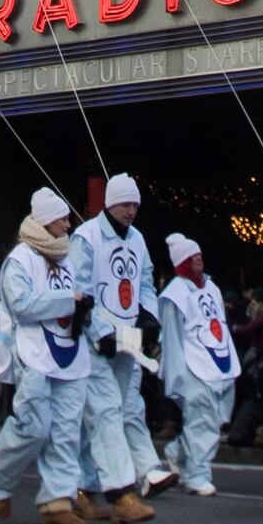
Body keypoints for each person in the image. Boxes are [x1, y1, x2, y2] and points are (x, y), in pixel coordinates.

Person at [0, 187, 107, 524]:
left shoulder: (68, 257)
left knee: (67, 431)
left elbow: (84, 299)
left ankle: (57, 501)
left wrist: (93, 323)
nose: (68, 224)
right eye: (63, 218)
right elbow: (21, 305)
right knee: (34, 427)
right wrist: (69, 301)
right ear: (47, 221)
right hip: (34, 353)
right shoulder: (20, 260)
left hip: (71, 355)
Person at [71, 173, 167, 498]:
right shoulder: (86, 237)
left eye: (135, 205)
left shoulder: (137, 239)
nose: (131, 211)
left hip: (128, 338)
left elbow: (145, 281)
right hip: (95, 341)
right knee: (105, 409)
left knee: (127, 406)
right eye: (126, 204)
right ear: (111, 204)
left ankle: (100, 481)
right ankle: (117, 486)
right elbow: (79, 291)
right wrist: (100, 332)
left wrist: (149, 316)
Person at [159, 236, 240, 495]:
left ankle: (178, 451)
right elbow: (171, 337)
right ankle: (196, 474)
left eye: (199, 254)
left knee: (216, 418)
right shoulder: (175, 294)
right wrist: (177, 374)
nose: (197, 259)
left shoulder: (212, 288)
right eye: (191, 256)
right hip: (193, 364)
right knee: (201, 419)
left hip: (219, 358)